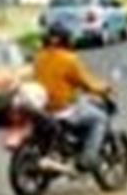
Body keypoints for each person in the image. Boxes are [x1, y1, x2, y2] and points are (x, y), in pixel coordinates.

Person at [33, 20, 112, 170]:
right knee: (100, 118)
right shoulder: (69, 60)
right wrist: (104, 88)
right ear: (66, 40)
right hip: (63, 108)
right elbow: (87, 83)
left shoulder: (39, 58)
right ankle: (88, 158)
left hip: (43, 108)